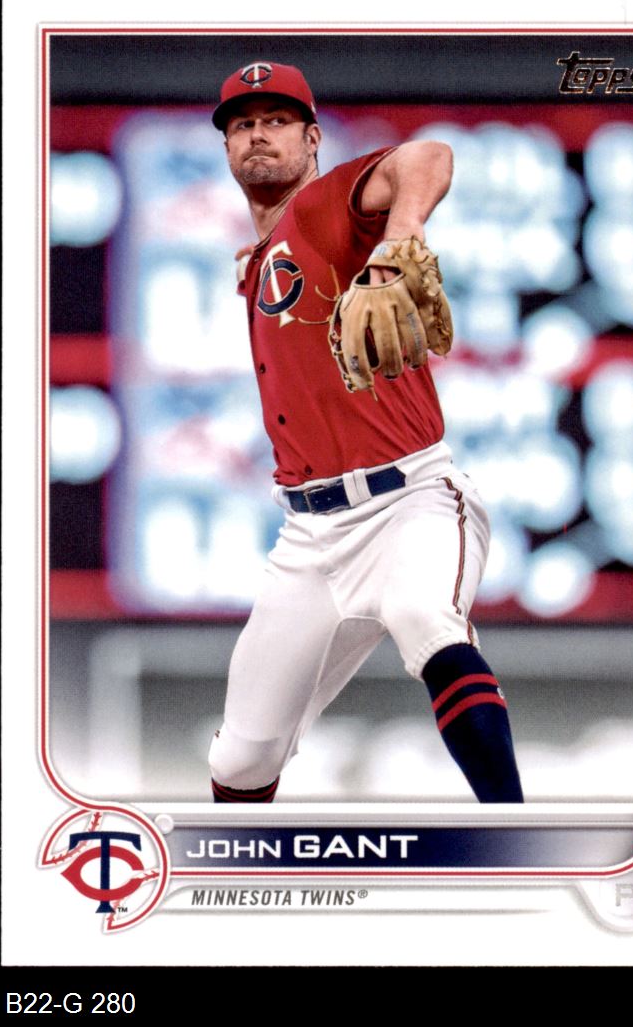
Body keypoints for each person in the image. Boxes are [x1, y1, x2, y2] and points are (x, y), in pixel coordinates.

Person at [207, 61, 524, 804]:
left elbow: (428, 155)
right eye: (243, 124)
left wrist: (398, 237)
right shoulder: (266, 257)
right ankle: (227, 873)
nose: (258, 134)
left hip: (409, 501)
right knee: (241, 761)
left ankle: (515, 833)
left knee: (425, 618)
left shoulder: (324, 206)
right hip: (308, 537)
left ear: (313, 138)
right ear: (226, 148)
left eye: (277, 120)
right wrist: (268, 259)